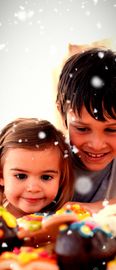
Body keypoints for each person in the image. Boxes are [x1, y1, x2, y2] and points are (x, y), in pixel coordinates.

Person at [56, 47, 116, 212]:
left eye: (112, 130)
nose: (96, 145)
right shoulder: (48, 157)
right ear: (62, 114)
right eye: (82, 128)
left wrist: (89, 209)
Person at [0, 117, 74, 218]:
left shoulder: (66, 219)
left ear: (61, 179)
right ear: (1, 176)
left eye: (46, 177)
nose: (33, 188)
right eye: (21, 176)